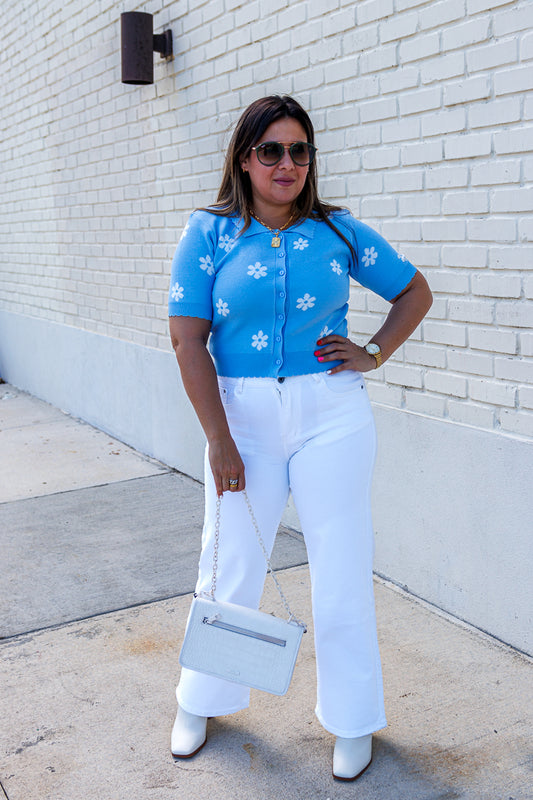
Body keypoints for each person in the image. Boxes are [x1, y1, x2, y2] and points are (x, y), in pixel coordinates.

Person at [168, 95, 432, 781]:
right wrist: (218, 441)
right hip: (242, 418)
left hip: (332, 414)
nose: (286, 164)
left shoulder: (337, 232)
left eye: (299, 150)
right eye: (271, 150)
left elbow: (413, 292)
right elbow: (186, 338)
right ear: (244, 158)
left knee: (342, 566)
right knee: (228, 565)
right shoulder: (209, 232)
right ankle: (202, 699)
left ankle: (352, 720)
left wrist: (371, 353)